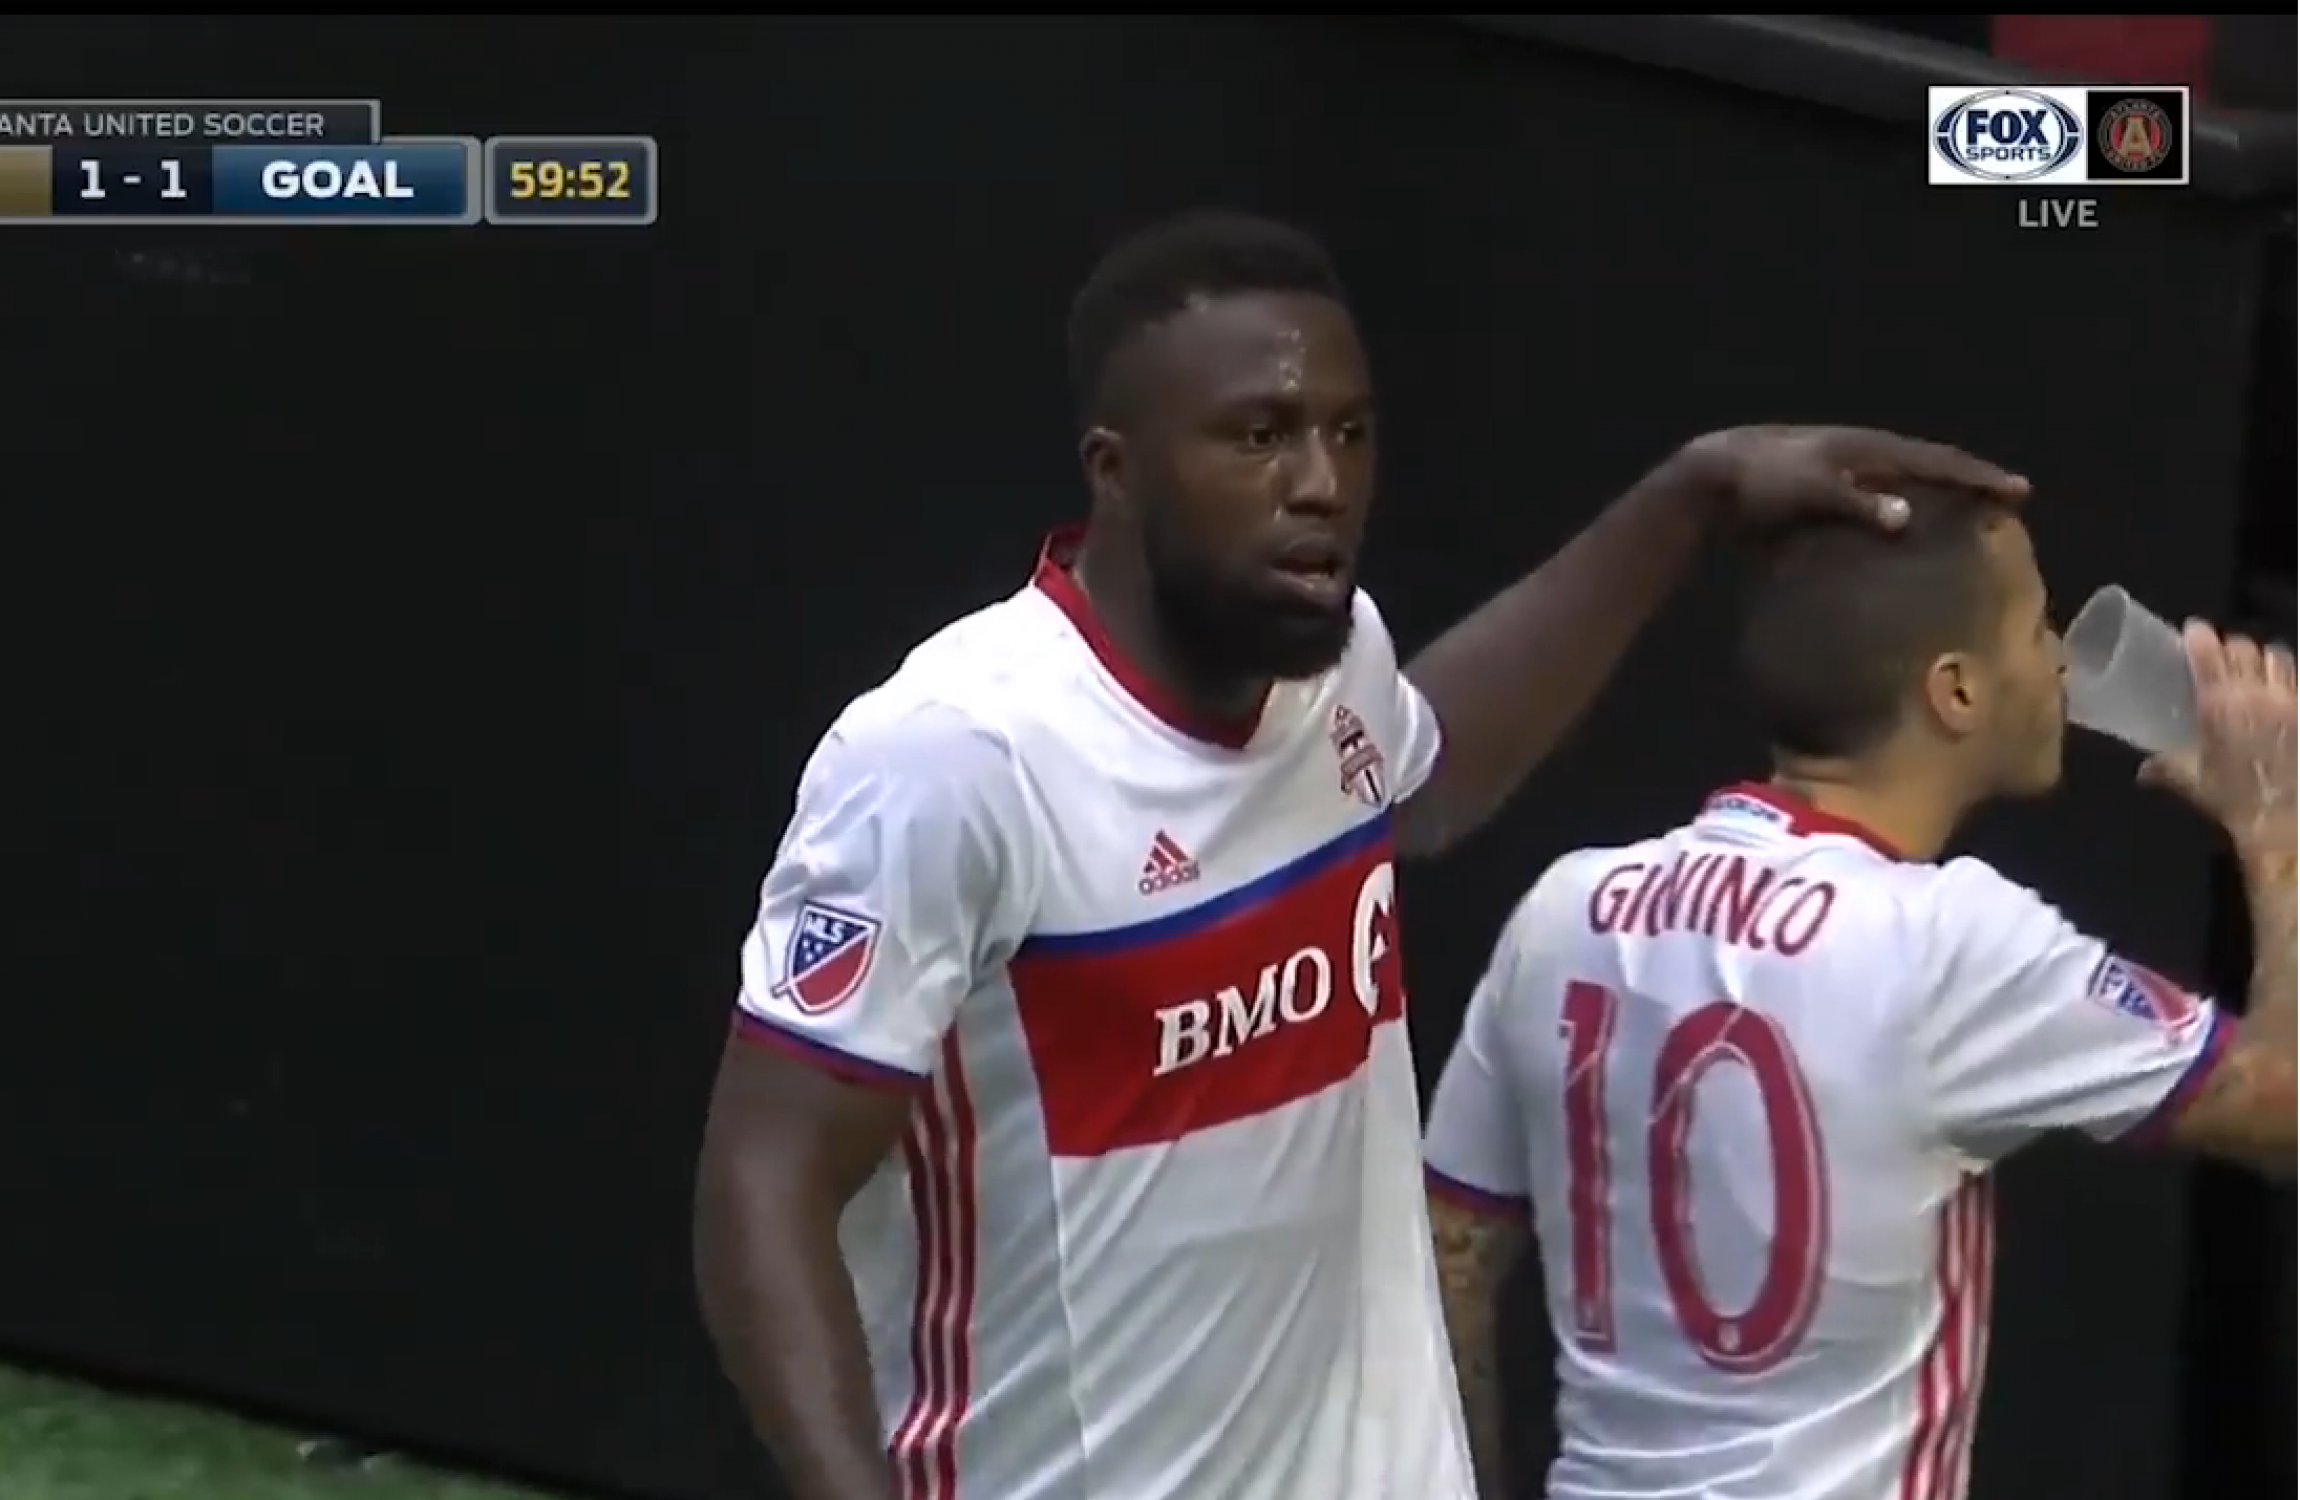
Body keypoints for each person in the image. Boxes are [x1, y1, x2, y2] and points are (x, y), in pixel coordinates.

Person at [690, 209, 2027, 1500]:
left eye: (1348, 432)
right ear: (1116, 467)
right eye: (1259, 437)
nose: (1320, 483)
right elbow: (764, 1178)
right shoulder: (956, 759)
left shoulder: (1333, 674)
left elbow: (1428, 777)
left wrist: (1693, 491)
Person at [1421, 485, 2295, 1500]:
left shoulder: (1565, 908)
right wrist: (2273, 825)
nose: (2059, 660)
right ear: (1955, 691)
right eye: (2033, 628)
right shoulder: (1946, 940)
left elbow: (1447, 1262)